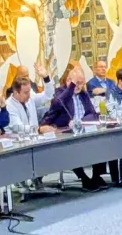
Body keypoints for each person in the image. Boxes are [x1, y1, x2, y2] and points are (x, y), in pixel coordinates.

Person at [39, 60, 108, 190]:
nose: (78, 86)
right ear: (68, 81)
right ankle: (83, 178)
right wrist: (71, 86)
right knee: (73, 147)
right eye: (76, 82)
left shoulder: (83, 94)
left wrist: (81, 121)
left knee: (100, 141)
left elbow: (93, 113)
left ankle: (96, 176)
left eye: (81, 83)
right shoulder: (60, 92)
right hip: (64, 133)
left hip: (82, 130)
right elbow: (58, 103)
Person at [1, 65, 55, 129]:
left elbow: (48, 95)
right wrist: (39, 130)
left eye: (29, 91)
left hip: (34, 137)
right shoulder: (9, 105)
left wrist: (46, 78)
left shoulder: (30, 97)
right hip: (18, 138)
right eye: (26, 93)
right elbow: (19, 128)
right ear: (16, 92)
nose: (29, 95)